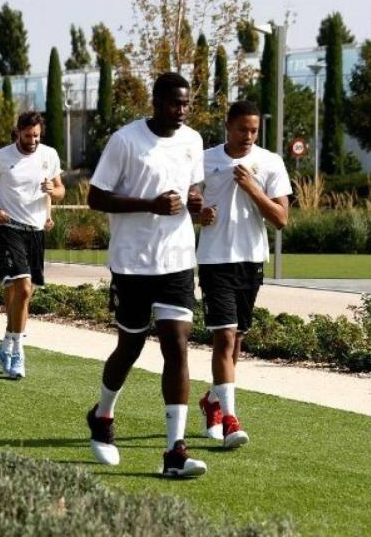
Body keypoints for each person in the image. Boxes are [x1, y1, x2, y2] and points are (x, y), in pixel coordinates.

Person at [84, 72, 207, 478]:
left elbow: (194, 188)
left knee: (177, 344)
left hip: (177, 261)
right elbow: (95, 197)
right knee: (130, 347)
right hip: (132, 263)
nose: (182, 110)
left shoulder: (193, 141)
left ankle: (175, 451)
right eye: (175, 103)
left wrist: (195, 202)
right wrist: (148, 205)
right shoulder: (125, 140)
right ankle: (103, 415)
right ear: (155, 101)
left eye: (186, 103)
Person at [196, 100, 291, 448]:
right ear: (228, 126)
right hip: (214, 260)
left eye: (254, 130)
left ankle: (212, 401)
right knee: (224, 337)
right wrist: (198, 213)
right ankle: (231, 421)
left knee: (236, 341)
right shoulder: (204, 159)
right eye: (242, 129)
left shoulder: (270, 162)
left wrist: (253, 189)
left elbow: (281, 219)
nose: (249, 136)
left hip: (251, 261)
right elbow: (186, 200)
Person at [0, 111, 64, 379]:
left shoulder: (49, 155)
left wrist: (53, 191)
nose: (32, 141)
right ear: (18, 133)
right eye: (27, 136)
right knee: (22, 288)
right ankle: (18, 352)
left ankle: (7, 346)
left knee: (24, 294)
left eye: (36, 136)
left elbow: (61, 190)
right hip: (9, 228)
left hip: (36, 232)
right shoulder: (0, 157)